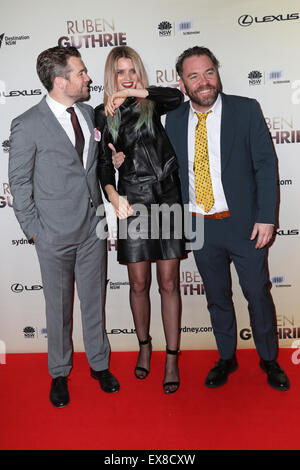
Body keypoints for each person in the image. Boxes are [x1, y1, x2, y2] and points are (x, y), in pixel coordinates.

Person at [165, 46, 290, 391]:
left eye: (209, 72)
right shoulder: (173, 119)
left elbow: (266, 166)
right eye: (194, 76)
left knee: (257, 293)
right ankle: (226, 357)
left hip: (246, 224)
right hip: (201, 225)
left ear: (217, 73)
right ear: (182, 84)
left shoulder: (245, 110)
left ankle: (268, 359)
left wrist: (267, 217)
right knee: (217, 296)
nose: (204, 82)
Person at [9, 46, 119, 408]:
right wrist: (34, 230)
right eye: (81, 72)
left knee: (94, 302)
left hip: (92, 229)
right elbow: (20, 184)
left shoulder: (88, 112)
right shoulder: (27, 124)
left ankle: (99, 365)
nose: (88, 78)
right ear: (61, 81)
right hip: (53, 235)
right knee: (57, 310)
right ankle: (59, 372)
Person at [95, 46, 186, 394]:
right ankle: (145, 346)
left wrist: (129, 93)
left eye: (132, 70)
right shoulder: (101, 116)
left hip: (166, 196)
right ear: (110, 75)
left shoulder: (152, 101)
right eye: (120, 72)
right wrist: (113, 195)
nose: (128, 76)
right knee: (137, 283)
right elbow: (104, 164)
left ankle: (173, 357)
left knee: (168, 282)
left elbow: (176, 96)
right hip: (132, 200)